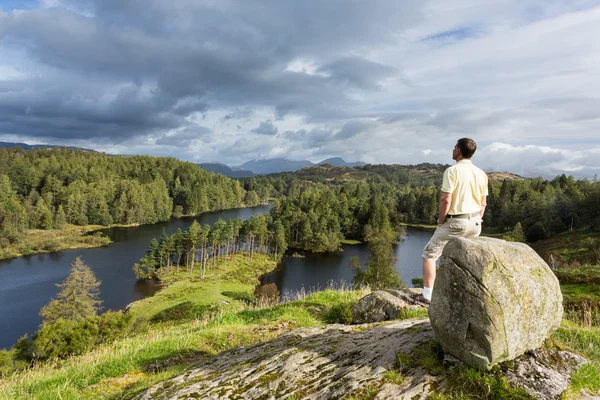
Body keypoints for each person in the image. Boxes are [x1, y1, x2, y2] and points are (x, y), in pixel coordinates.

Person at [420, 138, 488, 303]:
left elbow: (445, 200)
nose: (452, 149)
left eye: (454, 147)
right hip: (475, 223)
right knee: (465, 258)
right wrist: (477, 218)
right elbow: (483, 203)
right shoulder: (481, 173)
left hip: (456, 222)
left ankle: (428, 296)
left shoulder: (452, 171)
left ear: (458, 150)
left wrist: (441, 220)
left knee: (429, 254)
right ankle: (467, 295)